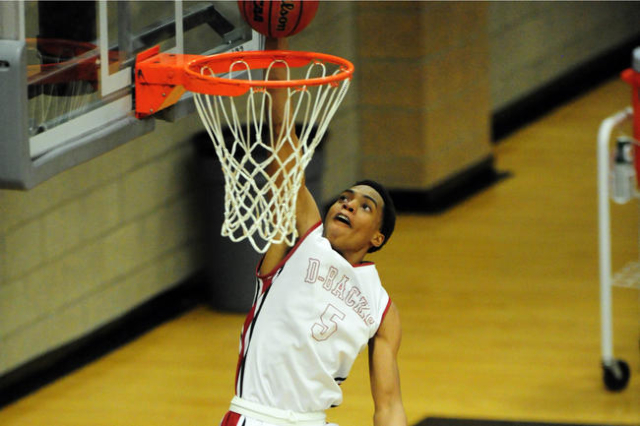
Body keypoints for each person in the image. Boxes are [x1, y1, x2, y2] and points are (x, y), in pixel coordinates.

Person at [220, 37, 407, 426]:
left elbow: (388, 405)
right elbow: (286, 156)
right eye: (345, 198)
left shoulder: (381, 307)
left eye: (364, 206)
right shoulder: (307, 240)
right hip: (258, 418)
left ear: (377, 238)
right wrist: (276, 49)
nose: (348, 204)